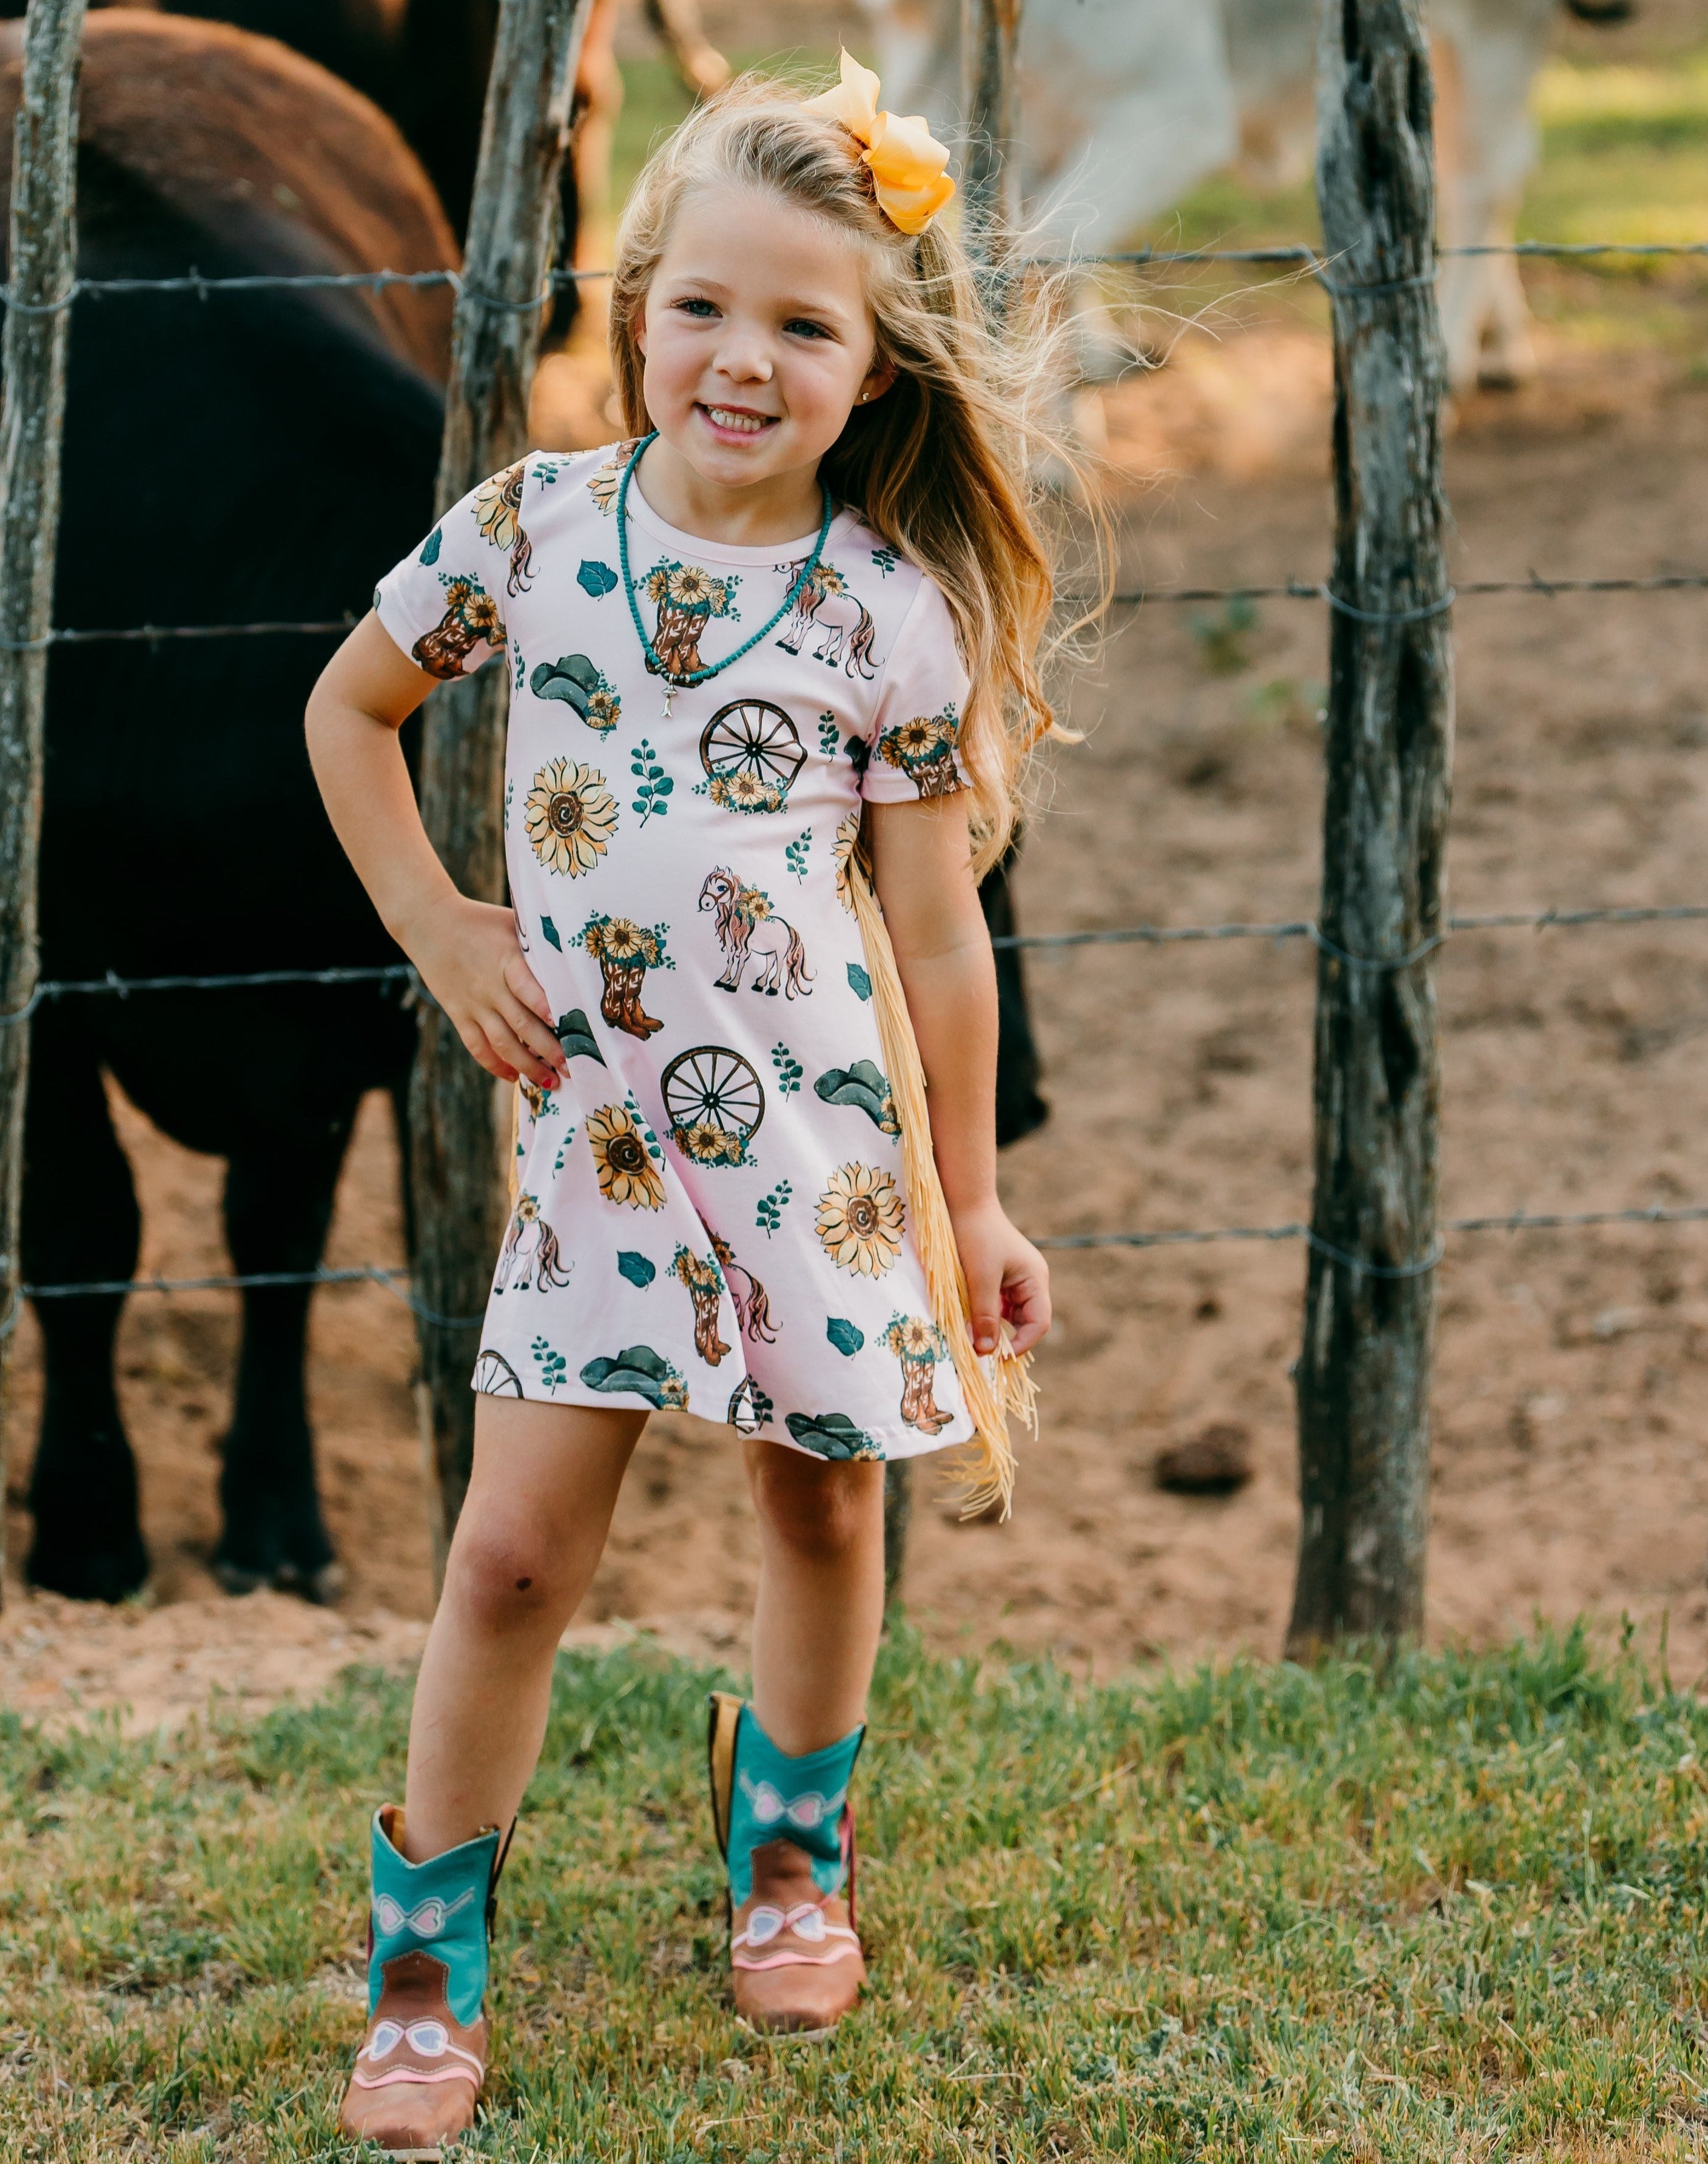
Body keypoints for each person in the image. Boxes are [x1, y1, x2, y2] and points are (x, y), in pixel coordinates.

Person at [306, 50, 1087, 2155]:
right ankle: (421, 1967)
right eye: (706, 307)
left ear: (873, 366)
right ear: (638, 302)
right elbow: (349, 708)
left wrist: (975, 1203)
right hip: (596, 1140)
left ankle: (792, 1856)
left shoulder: (885, 620)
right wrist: (445, 929)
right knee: (508, 1563)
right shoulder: (534, 529)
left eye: (805, 324)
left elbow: (938, 940)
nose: (745, 359)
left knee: (824, 1498)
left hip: (819, 1154)